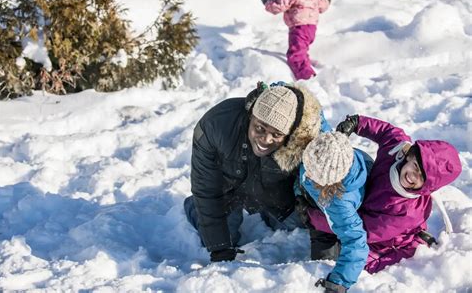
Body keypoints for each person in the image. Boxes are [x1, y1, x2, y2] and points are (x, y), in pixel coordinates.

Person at [184, 82, 331, 262]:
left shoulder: (306, 141)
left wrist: (326, 258)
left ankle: (268, 213)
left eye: (276, 135)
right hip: (227, 189)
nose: (266, 139)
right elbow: (206, 189)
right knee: (220, 237)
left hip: (274, 194)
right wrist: (219, 248)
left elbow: (323, 198)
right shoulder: (215, 125)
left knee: (299, 224)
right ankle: (194, 207)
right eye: (259, 128)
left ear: (290, 134)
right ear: (250, 115)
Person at [305, 115, 462, 276]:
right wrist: (357, 123)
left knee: (346, 260)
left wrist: (313, 218)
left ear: (428, 186)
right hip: (367, 198)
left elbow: (361, 229)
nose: (412, 176)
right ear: (410, 156)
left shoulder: (406, 212)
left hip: (382, 239)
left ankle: (412, 240)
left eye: (421, 177)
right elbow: (386, 131)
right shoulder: (396, 149)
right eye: (415, 166)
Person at [296, 131, 373, 293]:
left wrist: (337, 284)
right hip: (315, 200)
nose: (308, 173)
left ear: (327, 181)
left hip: (331, 221)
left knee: (321, 262)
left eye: (313, 174)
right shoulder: (329, 148)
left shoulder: (339, 203)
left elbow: (356, 242)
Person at [261, 0, 331, 81]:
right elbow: (322, 6)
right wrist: (327, 1)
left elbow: (278, 6)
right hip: (311, 28)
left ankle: (307, 78)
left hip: (299, 28)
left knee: (295, 55)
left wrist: (267, 3)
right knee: (302, 50)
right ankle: (306, 68)